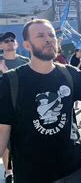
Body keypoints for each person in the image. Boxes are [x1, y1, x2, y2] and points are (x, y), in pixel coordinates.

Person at [0, 19, 81, 182]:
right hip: (33, 175)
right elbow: (2, 131)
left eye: (51, 35)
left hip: (77, 169)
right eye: (40, 35)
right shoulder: (10, 82)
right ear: (27, 45)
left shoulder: (70, 74)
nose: (49, 39)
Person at [0, 32, 30, 183]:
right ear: (1, 45)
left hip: (24, 108)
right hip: (4, 109)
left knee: (24, 140)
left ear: (17, 44)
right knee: (6, 144)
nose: (10, 42)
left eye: (13, 40)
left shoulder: (26, 61)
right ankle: (8, 171)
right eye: (6, 41)